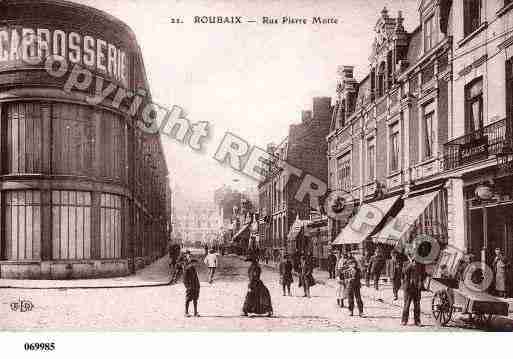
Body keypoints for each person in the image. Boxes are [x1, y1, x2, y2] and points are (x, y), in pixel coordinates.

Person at [401, 256, 424, 326]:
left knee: (417, 306)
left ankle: (417, 321)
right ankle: (404, 320)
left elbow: (423, 274)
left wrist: (421, 282)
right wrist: (410, 264)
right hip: (408, 288)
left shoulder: (420, 265)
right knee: (406, 305)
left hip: (417, 288)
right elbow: (404, 272)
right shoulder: (406, 263)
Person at [183, 251, 200, 317]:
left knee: (195, 300)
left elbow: (196, 278)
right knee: (188, 299)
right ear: (191, 263)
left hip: (196, 287)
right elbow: (184, 280)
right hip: (190, 287)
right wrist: (188, 287)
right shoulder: (187, 269)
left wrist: (198, 286)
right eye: (195, 263)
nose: (196, 265)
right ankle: (186, 312)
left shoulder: (193, 269)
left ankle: (195, 312)